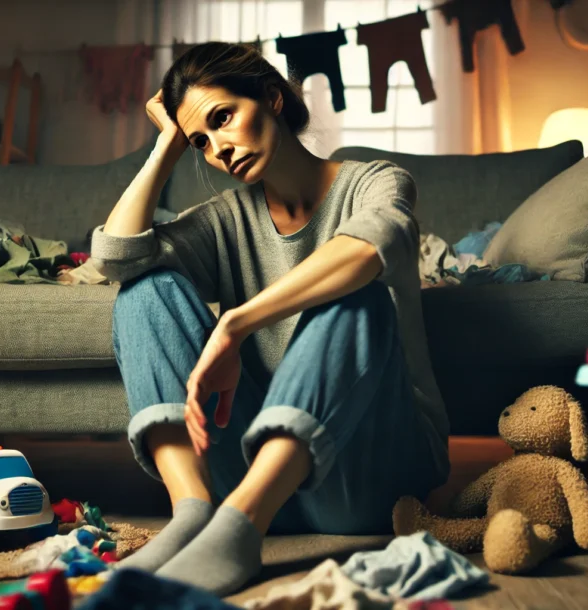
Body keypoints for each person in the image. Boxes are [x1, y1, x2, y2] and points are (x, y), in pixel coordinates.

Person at [91, 41, 450, 595]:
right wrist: (166, 145)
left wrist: (237, 323)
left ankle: (241, 530)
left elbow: (363, 251)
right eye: (201, 143)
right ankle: (194, 514)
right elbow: (116, 256)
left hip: (371, 473)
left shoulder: (376, 181)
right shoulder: (226, 219)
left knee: (359, 293)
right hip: (251, 470)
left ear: (272, 96)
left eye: (223, 118)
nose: (220, 151)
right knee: (144, 291)